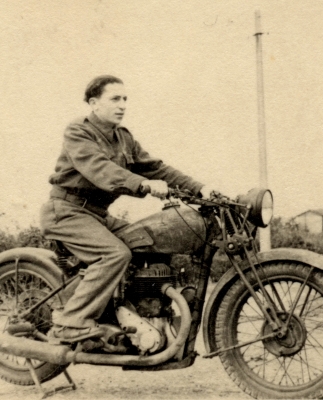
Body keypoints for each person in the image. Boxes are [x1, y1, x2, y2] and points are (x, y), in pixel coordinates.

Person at [41, 75, 212, 343]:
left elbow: (156, 168)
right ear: (94, 103)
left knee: (146, 241)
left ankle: (127, 314)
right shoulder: (78, 131)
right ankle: (71, 324)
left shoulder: (123, 137)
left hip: (97, 215)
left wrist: (199, 188)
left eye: (125, 99)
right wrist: (141, 184)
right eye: (115, 99)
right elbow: (99, 169)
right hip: (66, 211)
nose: (122, 105)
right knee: (115, 255)